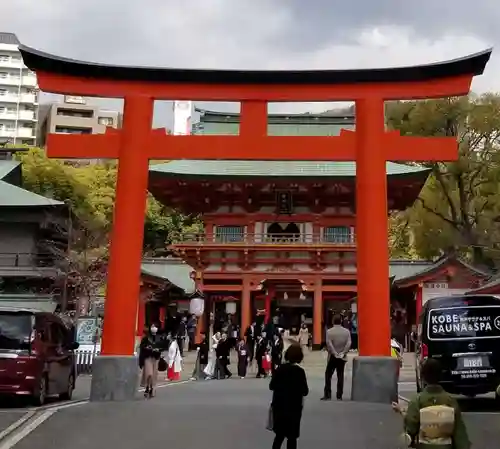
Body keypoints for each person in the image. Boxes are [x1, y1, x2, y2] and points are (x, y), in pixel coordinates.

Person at [392, 358, 470, 449]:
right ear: (441, 376)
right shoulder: (450, 400)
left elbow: (411, 427)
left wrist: (402, 412)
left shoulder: (417, 400)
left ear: (423, 377)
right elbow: (459, 433)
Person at [269, 344, 309, 449]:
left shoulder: (280, 369)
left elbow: (271, 386)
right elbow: (305, 391)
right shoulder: (300, 372)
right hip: (294, 409)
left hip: (279, 407)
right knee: (292, 438)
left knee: (279, 437)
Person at [321, 314, 351, 401]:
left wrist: (335, 353)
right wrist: (343, 352)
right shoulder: (346, 331)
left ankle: (327, 394)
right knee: (340, 375)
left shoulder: (329, 331)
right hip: (342, 356)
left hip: (332, 357)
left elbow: (329, 344)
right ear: (341, 321)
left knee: (328, 375)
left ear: (333, 321)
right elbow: (349, 343)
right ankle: (339, 395)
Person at [139, 324, 162, 398]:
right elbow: (142, 347)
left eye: (155, 326)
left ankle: (151, 388)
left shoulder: (160, 337)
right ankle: (147, 387)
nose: (154, 328)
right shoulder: (146, 338)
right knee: (149, 374)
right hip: (148, 357)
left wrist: (158, 349)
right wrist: (147, 348)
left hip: (155, 358)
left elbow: (163, 346)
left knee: (154, 375)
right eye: (152, 326)